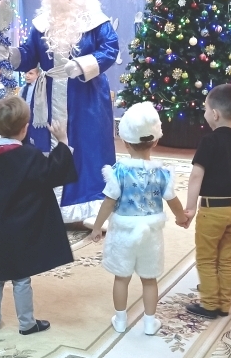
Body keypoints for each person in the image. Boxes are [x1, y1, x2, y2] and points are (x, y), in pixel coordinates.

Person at [0, 0, 119, 224]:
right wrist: (12, 54)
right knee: (45, 145)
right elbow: (30, 54)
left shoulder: (98, 22)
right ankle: (48, 204)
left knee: (88, 145)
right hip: (49, 94)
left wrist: (83, 64)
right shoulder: (42, 23)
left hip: (87, 97)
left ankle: (92, 206)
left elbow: (110, 50)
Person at [0, 96, 77, 335]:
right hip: (20, 229)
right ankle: (27, 323)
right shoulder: (29, 156)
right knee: (20, 277)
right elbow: (52, 173)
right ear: (24, 128)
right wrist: (62, 142)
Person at [90, 102, 187, 335]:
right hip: (150, 233)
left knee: (121, 277)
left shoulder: (119, 171)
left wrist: (97, 227)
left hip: (123, 232)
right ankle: (150, 322)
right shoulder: (162, 173)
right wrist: (181, 217)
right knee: (149, 278)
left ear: (124, 141)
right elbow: (172, 200)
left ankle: (120, 319)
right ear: (155, 141)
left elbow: (109, 201)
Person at [184, 84, 231, 319]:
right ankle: (224, 304)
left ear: (214, 114)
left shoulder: (209, 141)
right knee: (226, 257)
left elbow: (196, 176)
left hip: (213, 211)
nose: (205, 113)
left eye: (205, 109)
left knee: (206, 257)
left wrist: (190, 208)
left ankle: (210, 305)